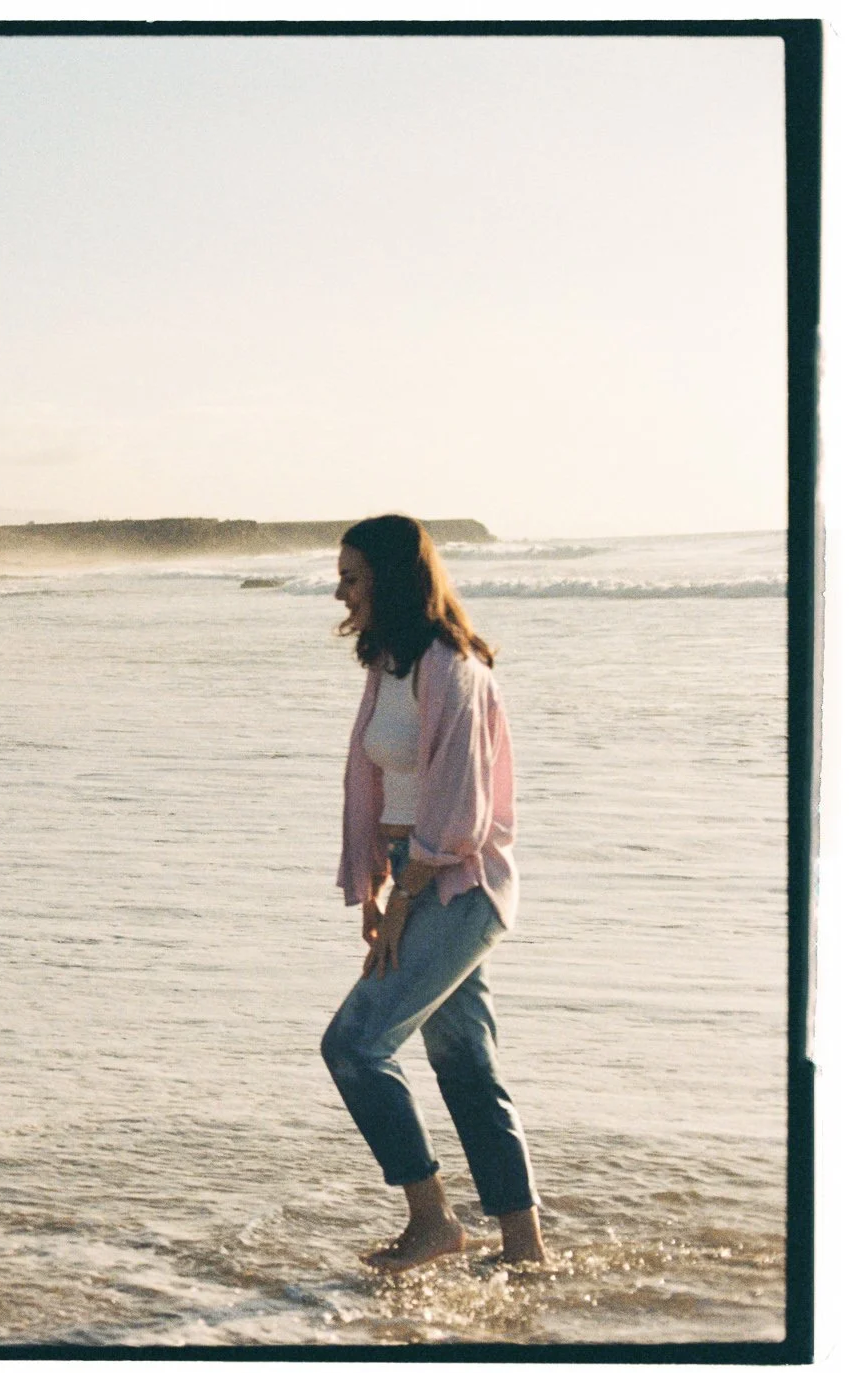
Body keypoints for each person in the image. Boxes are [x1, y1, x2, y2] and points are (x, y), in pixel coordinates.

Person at [319, 513, 546, 1274]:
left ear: (389, 579)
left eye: (352, 577)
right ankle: (525, 1250)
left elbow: (460, 815)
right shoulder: (389, 664)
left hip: (459, 886)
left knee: (355, 1045)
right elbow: (378, 785)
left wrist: (404, 901)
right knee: (466, 1065)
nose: (341, 591)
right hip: (414, 875)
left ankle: (432, 1220)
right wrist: (375, 887)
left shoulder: (453, 670)